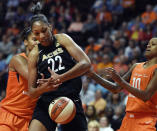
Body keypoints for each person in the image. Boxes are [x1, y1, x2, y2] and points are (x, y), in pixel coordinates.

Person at [27, 2, 91, 131]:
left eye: (44, 30)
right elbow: (32, 92)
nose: (42, 36)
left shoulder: (62, 39)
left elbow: (86, 63)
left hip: (70, 100)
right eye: (37, 34)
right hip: (47, 102)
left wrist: (60, 78)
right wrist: (44, 88)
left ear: (50, 27)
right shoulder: (34, 53)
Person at [87, 37, 157, 131]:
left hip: (145, 120)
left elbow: (145, 96)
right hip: (127, 119)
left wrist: (120, 80)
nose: (148, 45)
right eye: (149, 43)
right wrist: (92, 75)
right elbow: (115, 88)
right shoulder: (136, 66)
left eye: (153, 44)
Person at [0, 28, 59, 131]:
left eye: (40, 40)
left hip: (30, 120)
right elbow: (33, 78)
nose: (38, 42)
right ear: (25, 42)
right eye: (34, 39)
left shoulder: (44, 63)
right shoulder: (18, 59)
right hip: (9, 114)